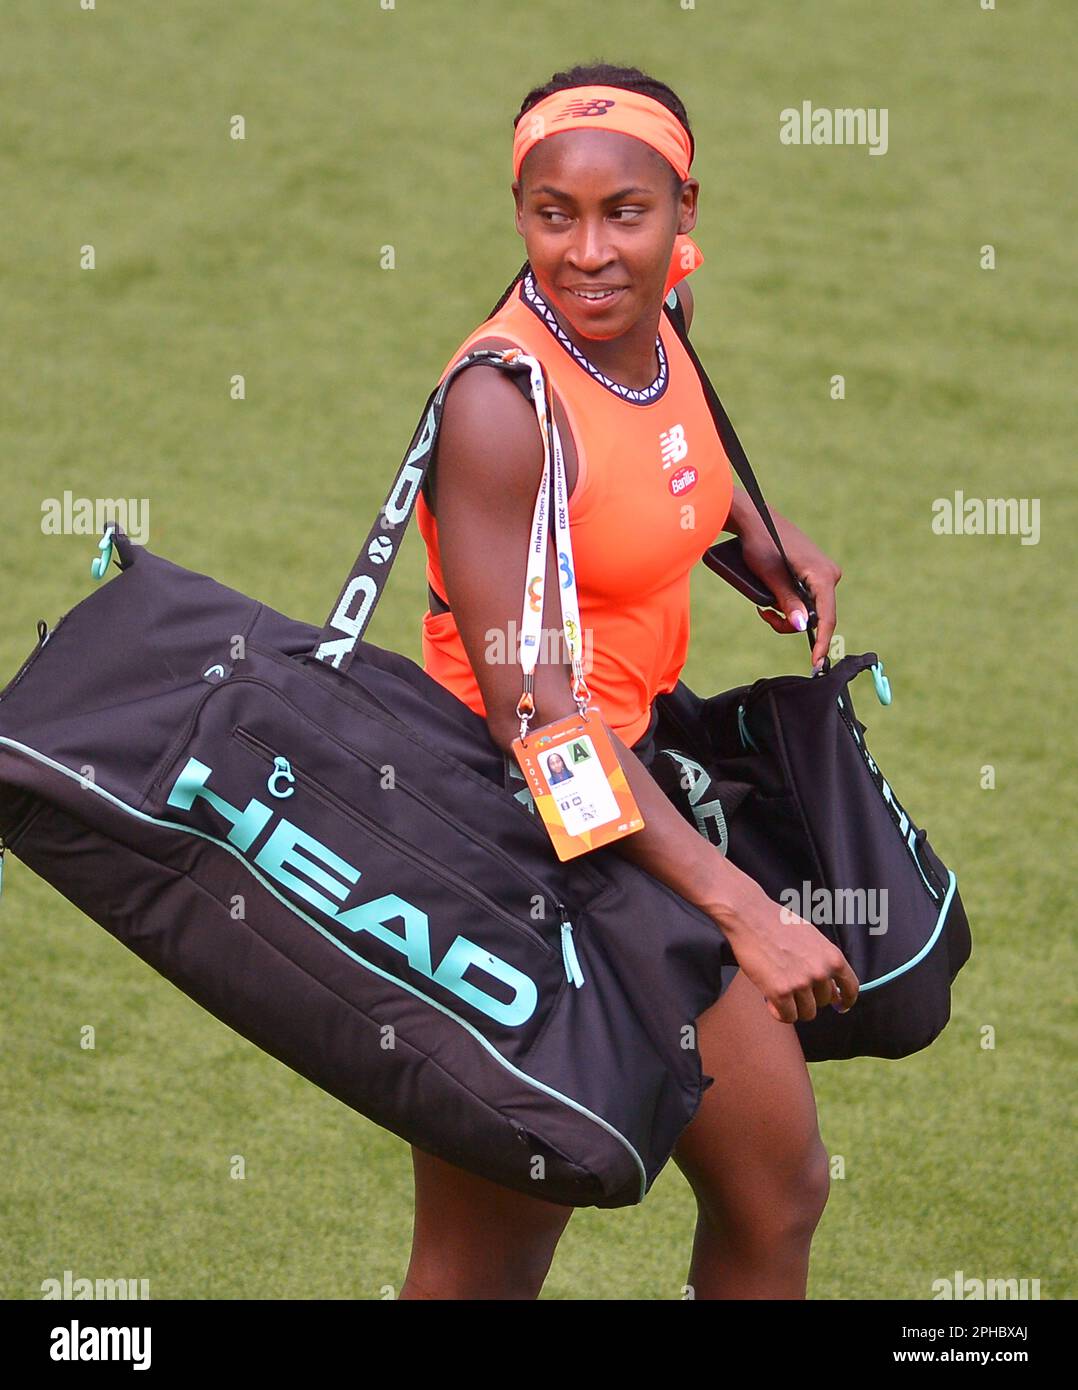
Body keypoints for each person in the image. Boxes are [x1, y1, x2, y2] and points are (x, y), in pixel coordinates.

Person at [404, 62, 856, 1301]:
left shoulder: (658, 322)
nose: (590, 253)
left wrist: (749, 533)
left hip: (633, 790)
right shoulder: (501, 405)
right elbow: (542, 728)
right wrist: (743, 912)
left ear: (683, 213)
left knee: (778, 1188)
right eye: (554, 215)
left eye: (625, 215)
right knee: (488, 1257)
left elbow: (654, 466)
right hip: (509, 838)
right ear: (520, 212)